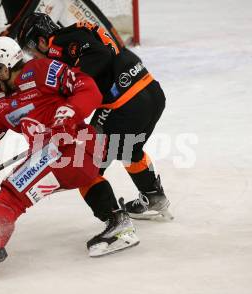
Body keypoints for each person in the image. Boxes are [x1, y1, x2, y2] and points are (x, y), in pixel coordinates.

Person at [0, 36, 139, 284]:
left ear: (7, 64)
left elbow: (87, 87)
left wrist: (68, 113)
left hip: (73, 147)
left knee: (12, 196)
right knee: (33, 185)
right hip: (65, 160)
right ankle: (118, 222)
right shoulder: (0, 101)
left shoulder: (40, 70)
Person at [16, 13, 173, 221]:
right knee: (128, 148)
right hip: (151, 93)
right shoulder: (74, 34)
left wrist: (71, 91)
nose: (33, 56)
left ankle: (117, 224)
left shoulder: (58, 45)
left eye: (30, 49)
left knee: (86, 165)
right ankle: (154, 196)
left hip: (126, 103)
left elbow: (100, 56)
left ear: (42, 41)